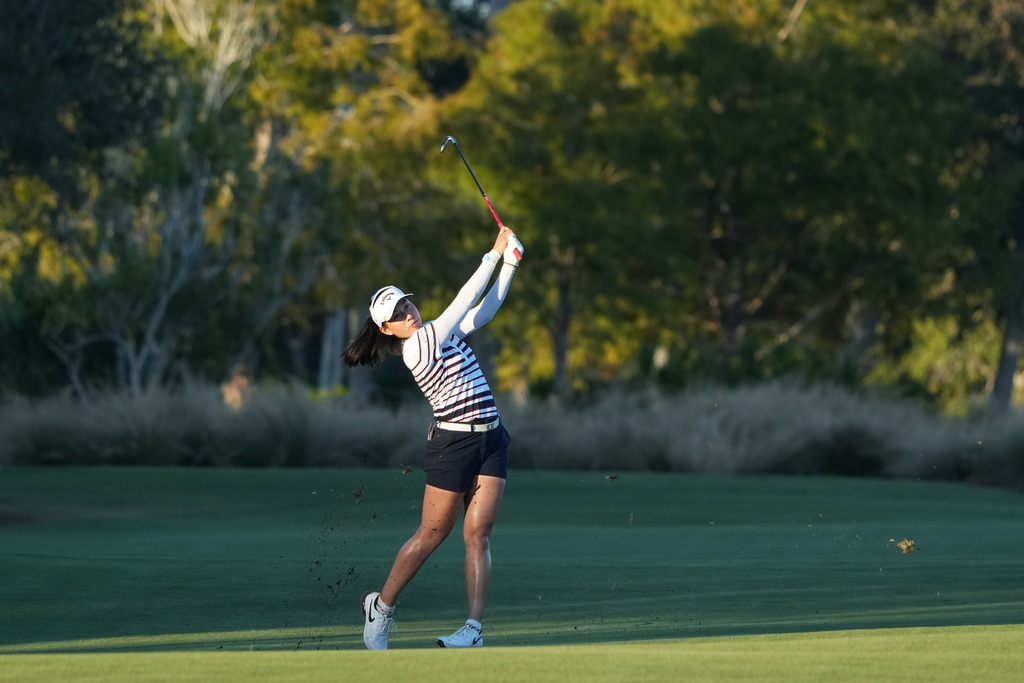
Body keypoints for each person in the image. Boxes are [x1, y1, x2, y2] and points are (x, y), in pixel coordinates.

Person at [341, 224, 524, 650]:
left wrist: (510, 266)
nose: (408, 312)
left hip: (492, 440)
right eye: (398, 314)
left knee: (478, 536)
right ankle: (380, 608)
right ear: (387, 329)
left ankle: (473, 630)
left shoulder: (439, 334)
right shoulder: (417, 347)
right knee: (432, 534)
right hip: (453, 446)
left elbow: (482, 312)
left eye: (407, 303)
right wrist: (492, 256)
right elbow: (462, 304)